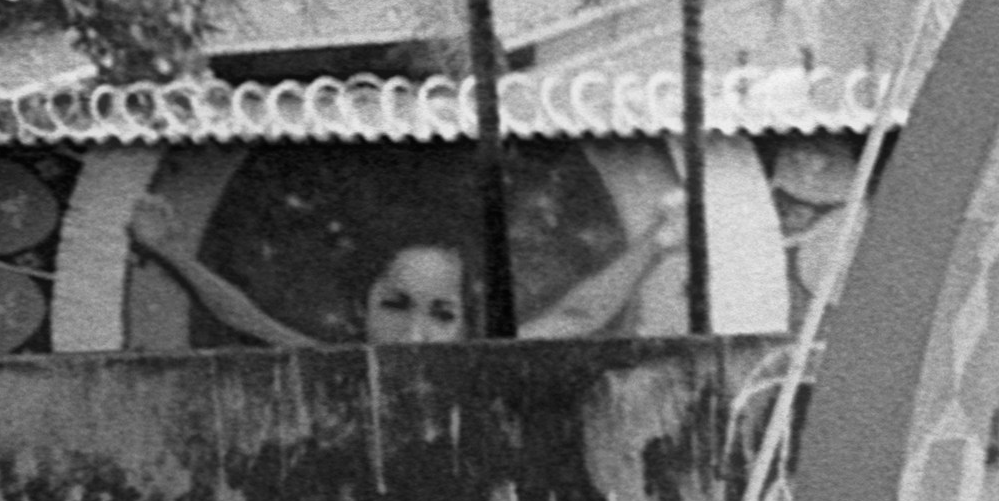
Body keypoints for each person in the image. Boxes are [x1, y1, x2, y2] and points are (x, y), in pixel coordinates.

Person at [127, 191, 669, 349]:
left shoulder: (482, 369)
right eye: (394, 304)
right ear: (360, 304)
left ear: (466, 322)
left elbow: (578, 315)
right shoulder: (337, 372)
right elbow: (249, 320)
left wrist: (657, 242)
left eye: (442, 314)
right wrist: (171, 252)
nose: (414, 335)